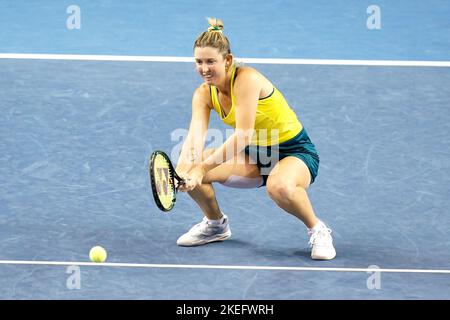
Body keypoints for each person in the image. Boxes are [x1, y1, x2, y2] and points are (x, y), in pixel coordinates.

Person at [175, 18, 336, 260]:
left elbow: (242, 135)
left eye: (211, 61)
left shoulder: (247, 79)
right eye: (199, 62)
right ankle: (215, 224)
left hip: (294, 152)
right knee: (186, 168)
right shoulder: (203, 94)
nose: (204, 68)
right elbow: (195, 137)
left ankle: (318, 229)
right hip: (256, 156)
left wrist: (202, 168)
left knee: (279, 186)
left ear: (227, 60)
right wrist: (186, 170)